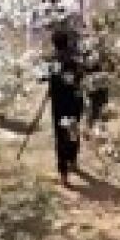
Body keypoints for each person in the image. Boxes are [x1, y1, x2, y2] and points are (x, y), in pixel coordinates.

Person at [45, 29, 85, 187]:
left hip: (60, 103)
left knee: (61, 136)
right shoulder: (75, 59)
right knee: (73, 130)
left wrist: (51, 89)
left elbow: (54, 82)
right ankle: (73, 159)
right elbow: (80, 78)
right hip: (75, 101)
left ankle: (63, 173)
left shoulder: (55, 61)